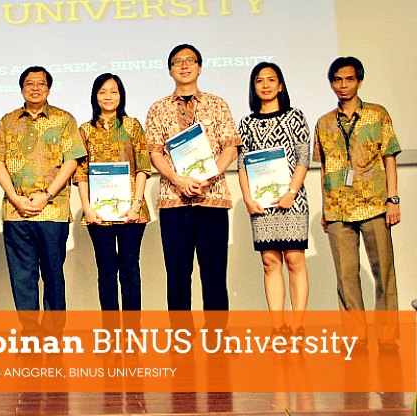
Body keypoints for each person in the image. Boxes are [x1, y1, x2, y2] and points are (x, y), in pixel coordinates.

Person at [145, 44, 241, 332]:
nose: (184, 66)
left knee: (214, 273)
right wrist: (179, 180)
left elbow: (230, 147)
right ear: (170, 70)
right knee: (177, 274)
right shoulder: (158, 108)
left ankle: (217, 336)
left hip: (212, 198)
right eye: (178, 62)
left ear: (199, 67)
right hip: (174, 200)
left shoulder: (218, 104)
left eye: (190, 61)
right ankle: (181, 338)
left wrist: (208, 177)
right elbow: (154, 152)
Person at [0, 66, 86, 336]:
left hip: (53, 212)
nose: (35, 88)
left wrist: (47, 195)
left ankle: (53, 334)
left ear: (48, 89)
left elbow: (72, 161)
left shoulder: (64, 119)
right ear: (21, 89)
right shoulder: (8, 121)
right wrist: (15, 198)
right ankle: (30, 333)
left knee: (53, 275)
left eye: (40, 84)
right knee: (22, 277)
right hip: (16, 212)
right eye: (29, 84)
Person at [313, 56, 400, 349]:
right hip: (338, 208)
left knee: (383, 272)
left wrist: (393, 199)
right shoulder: (324, 122)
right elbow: (324, 168)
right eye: (337, 80)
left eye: (349, 79)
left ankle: (386, 335)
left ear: (359, 81)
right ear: (331, 83)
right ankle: (355, 337)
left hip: (374, 204)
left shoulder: (377, 114)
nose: (343, 85)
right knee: (346, 276)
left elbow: (389, 158)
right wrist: (325, 207)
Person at [237, 63, 311, 338]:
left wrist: (291, 192)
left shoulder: (295, 116)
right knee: (270, 262)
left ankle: (298, 327)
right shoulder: (247, 124)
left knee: (294, 261)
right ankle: (278, 328)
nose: (265, 85)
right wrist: (247, 198)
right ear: (254, 87)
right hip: (261, 203)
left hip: (292, 200)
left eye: (271, 80)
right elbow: (242, 165)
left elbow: (303, 158)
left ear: (280, 85)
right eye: (259, 80)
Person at [73, 73, 151, 333]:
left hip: (131, 211)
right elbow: (81, 173)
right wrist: (87, 208)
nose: (108, 96)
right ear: (95, 96)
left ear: (121, 95)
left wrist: (136, 205)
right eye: (103, 91)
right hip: (98, 214)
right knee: (106, 271)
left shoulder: (132, 126)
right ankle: (111, 333)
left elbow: (143, 167)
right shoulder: (85, 130)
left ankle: (132, 332)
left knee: (129, 270)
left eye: (114, 91)